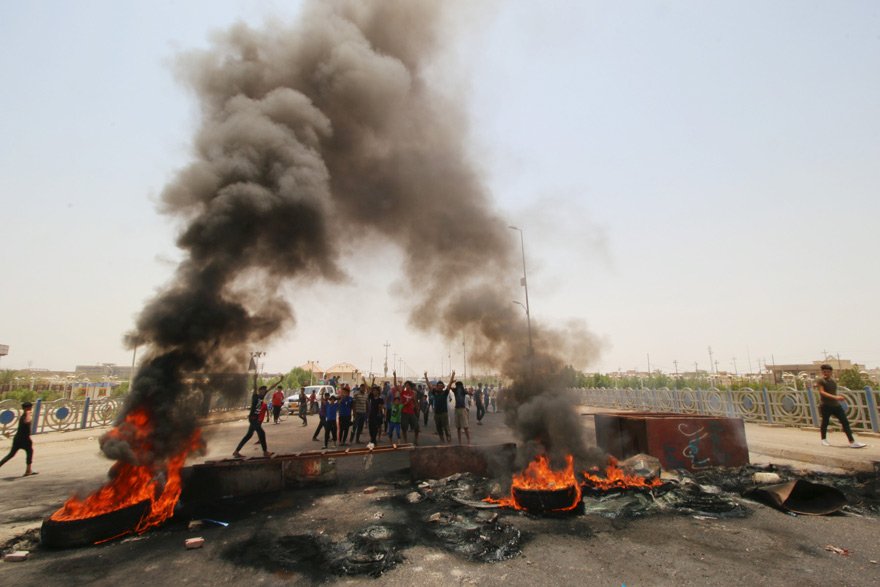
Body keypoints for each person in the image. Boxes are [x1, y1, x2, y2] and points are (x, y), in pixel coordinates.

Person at [817, 364, 867, 448]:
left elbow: (833, 391)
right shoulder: (821, 381)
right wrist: (835, 397)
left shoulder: (833, 381)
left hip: (836, 405)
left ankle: (852, 442)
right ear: (822, 372)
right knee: (825, 422)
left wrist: (838, 399)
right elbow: (822, 392)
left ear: (831, 372)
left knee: (845, 422)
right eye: (824, 371)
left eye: (828, 372)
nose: (826, 373)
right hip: (825, 405)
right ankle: (823, 439)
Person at [233, 377, 281, 458]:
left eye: (264, 390)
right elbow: (255, 387)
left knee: (248, 435)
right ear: (259, 391)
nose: (264, 391)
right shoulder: (255, 396)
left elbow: (271, 387)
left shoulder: (262, 396)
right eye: (262, 390)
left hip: (255, 419)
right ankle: (265, 452)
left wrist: (279, 381)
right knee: (262, 433)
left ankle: (236, 452)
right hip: (253, 419)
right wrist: (255, 379)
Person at [0, 401, 37, 476]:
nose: (31, 409)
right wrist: (28, 413)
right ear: (27, 408)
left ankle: (28, 470)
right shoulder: (26, 415)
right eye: (30, 407)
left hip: (19, 438)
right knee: (27, 452)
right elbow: (28, 421)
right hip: (24, 439)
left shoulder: (23, 416)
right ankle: (28, 471)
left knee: (12, 454)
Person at [394, 371, 420, 445]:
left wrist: (417, 409)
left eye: (408, 385)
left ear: (410, 386)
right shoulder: (403, 392)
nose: (407, 386)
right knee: (404, 428)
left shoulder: (413, 393)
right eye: (406, 385)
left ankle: (416, 440)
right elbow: (395, 385)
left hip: (411, 412)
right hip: (404, 413)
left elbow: (415, 402)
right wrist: (395, 375)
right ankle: (405, 441)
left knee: (417, 427)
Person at [428, 371, 452, 443]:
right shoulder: (434, 392)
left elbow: (449, 385)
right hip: (437, 413)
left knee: (446, 426)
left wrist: (453, 375)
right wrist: (426, 377)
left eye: (441, 385)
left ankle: (448, 436)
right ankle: (442, 439)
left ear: (443, 386)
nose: (440, 386)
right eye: (438, 385)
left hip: (444, 413)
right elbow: (429, 386)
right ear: (437, 386)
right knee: (438, 427)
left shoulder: (445, 393)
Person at [451, 375, 471, 445]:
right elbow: (449, 387)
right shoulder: (459, 390)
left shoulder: (459, 390)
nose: (459, 387)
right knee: (461, 427)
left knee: (463, 427)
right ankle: (464, 442)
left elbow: (470, 393)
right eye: (458, 386)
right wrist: (452, 381)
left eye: (459, 386)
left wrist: (452, 382)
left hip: (461, 409)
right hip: (459, 409)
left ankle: (466, 441)